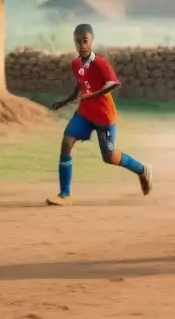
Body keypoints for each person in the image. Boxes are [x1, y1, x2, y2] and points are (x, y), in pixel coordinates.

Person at [47, 24, 153, 206]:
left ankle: (142, 169)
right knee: (66, 142)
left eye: (85, 41)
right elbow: (81, 84)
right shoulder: (76, 64)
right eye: (78, 42)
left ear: (92, 40)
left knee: (109, 156)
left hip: (104, 117)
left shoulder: (99, 63)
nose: (81, 45)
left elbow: (113, 83)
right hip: (85, 113)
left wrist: (93, 95)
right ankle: (65, 194)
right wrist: (65, 101)